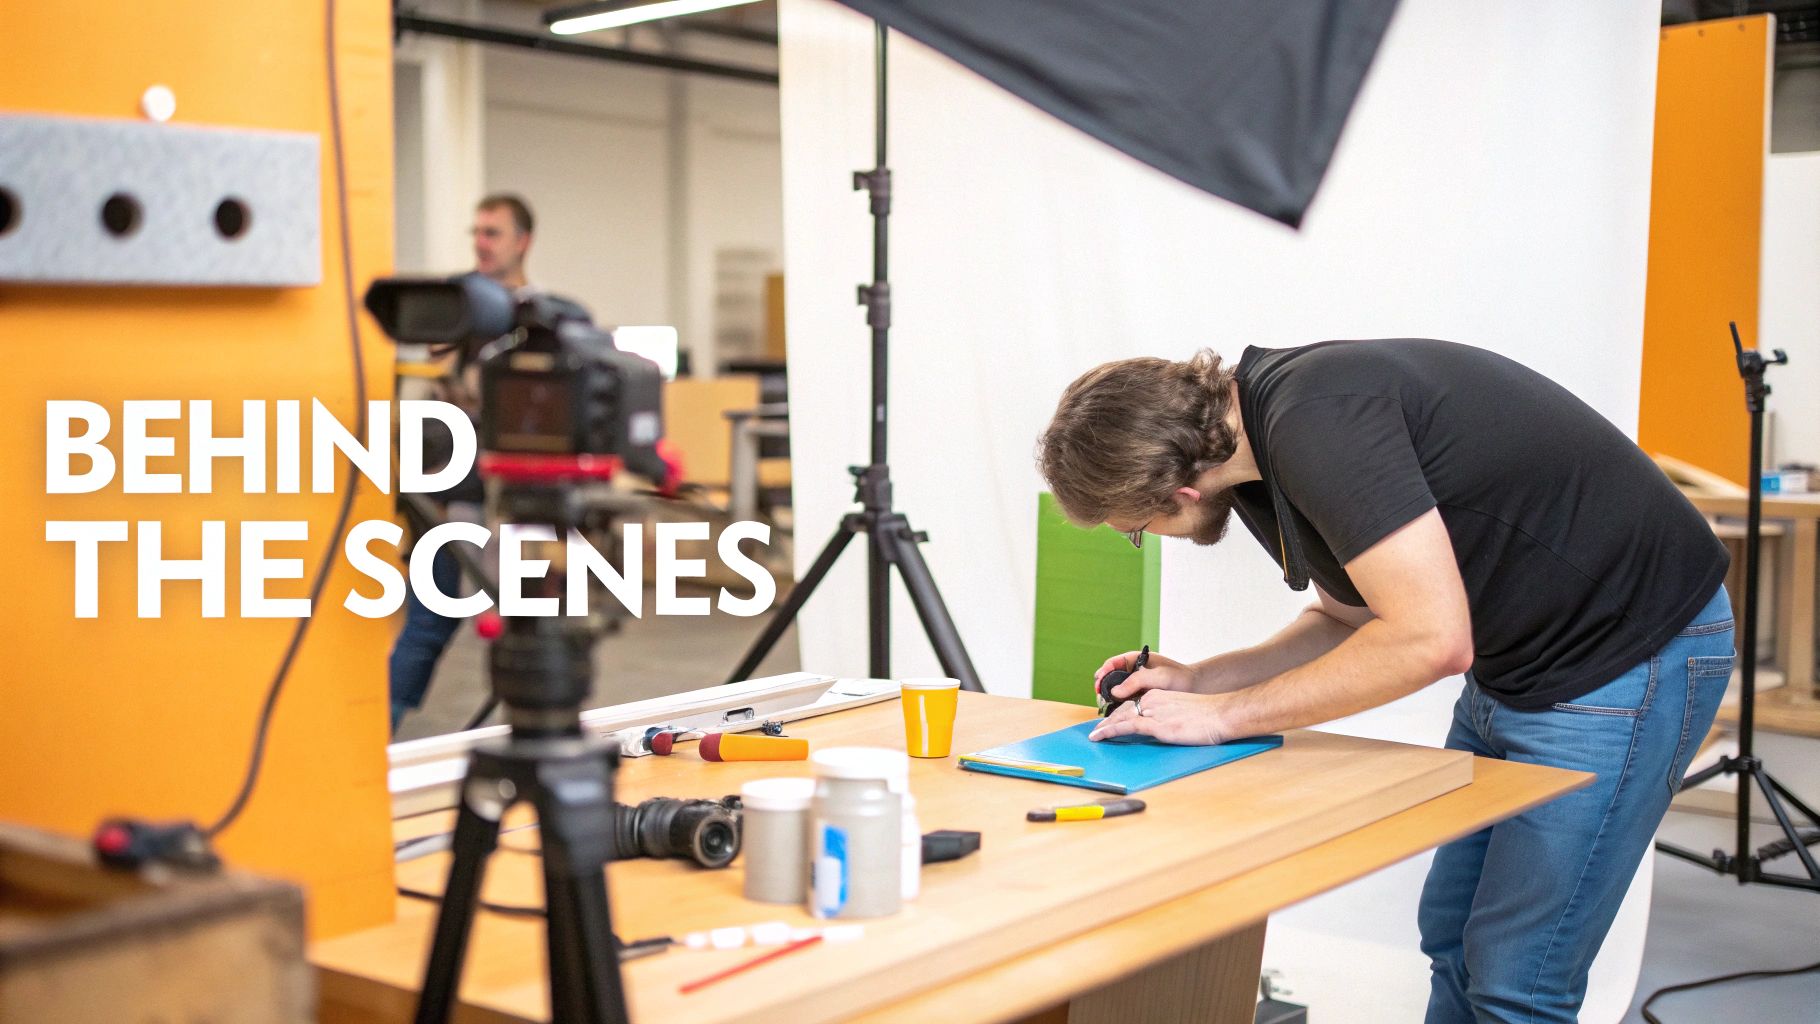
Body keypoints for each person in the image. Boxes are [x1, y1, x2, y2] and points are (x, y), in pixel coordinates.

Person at [1035, 339, 1734, 1024]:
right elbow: (1352, 616)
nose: (1150, 536)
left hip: (1624, 653)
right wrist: (1199, 680)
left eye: (1137, 528)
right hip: (1521, 663)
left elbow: (1430, 642)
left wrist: (1225, 716)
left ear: (1178, 489)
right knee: (1454, 940)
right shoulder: (1252, 452)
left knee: (1519, 977)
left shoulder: (1320, 427)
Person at [388, 193, 536, 733]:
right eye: (476, 231)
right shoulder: (458, 304)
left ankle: (532, 735)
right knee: (426, 624)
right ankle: (370, 741)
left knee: (524, 631)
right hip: (445, 490)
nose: (481, 242)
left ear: (523, 241)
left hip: (507, 502)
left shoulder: (534, 314)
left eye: (493, 232)